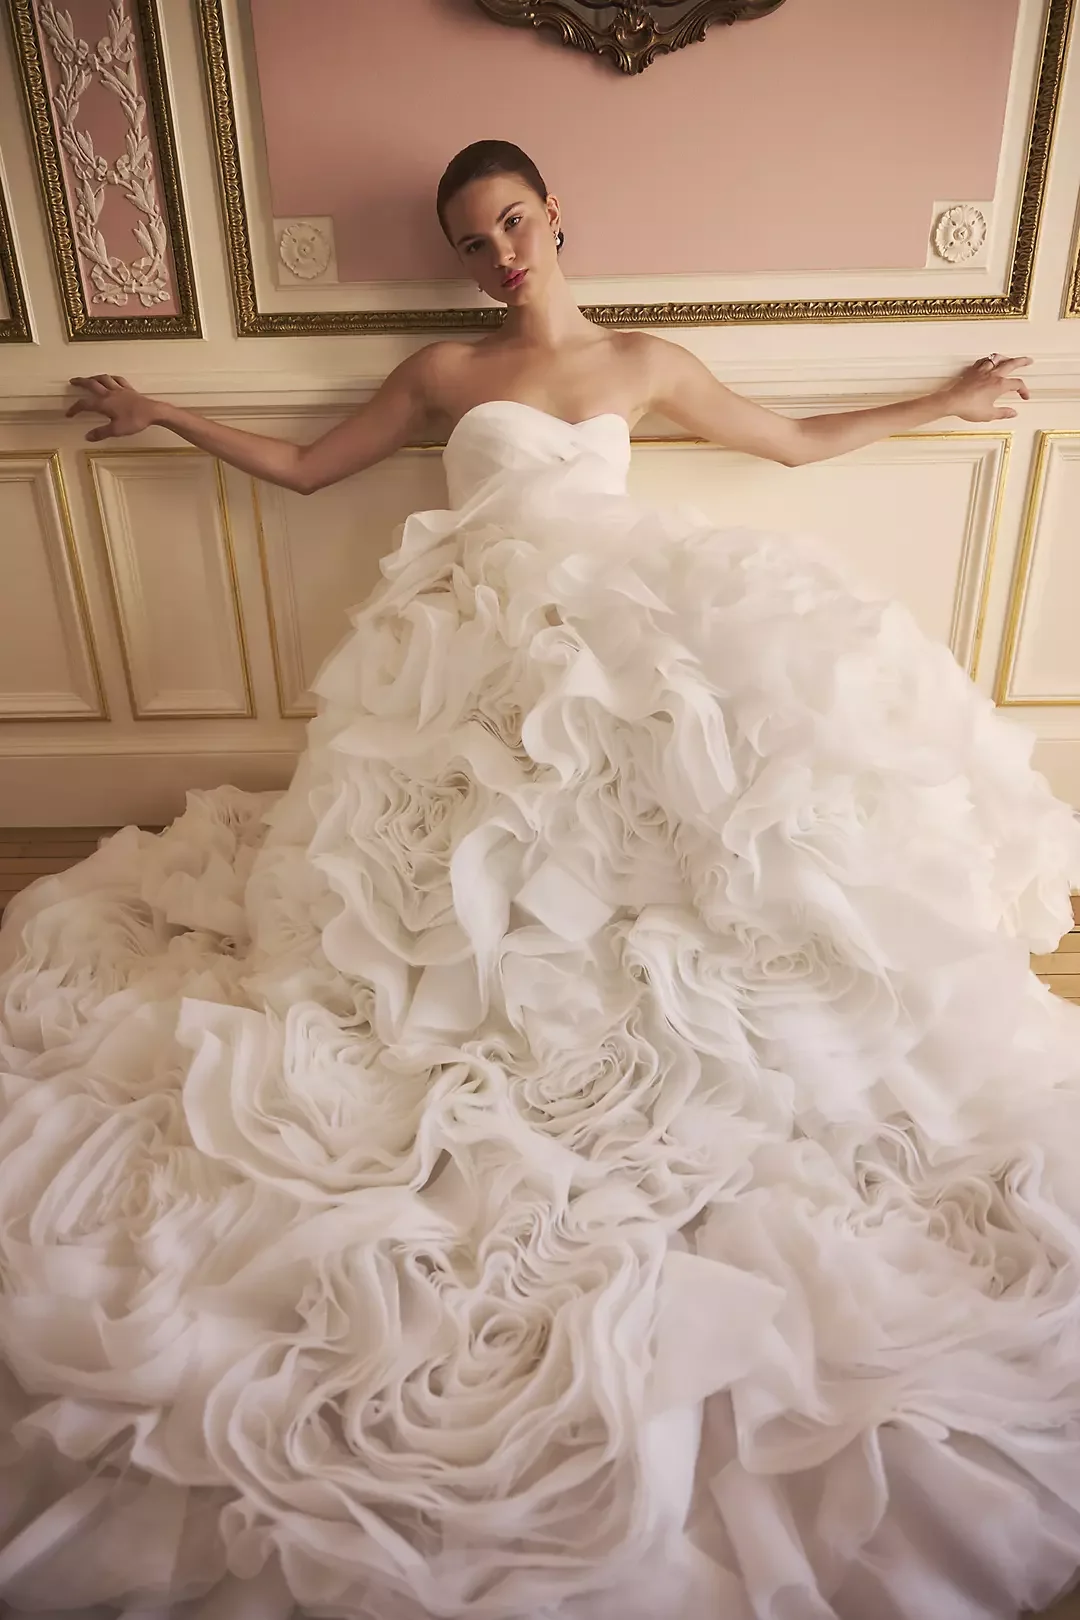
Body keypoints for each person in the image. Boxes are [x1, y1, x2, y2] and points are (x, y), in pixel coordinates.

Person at [2, 138, 1079, 1620]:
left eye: (512, 221)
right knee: (449, 879)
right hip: (474, 648)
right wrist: (159, 406)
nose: (499, 252)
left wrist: (946, 402)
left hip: (621, 636)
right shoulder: (445, 372)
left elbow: (791, 443)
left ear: (559, 213)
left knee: (687, 836)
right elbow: (312, 469)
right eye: (470, 239)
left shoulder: (642, 360)